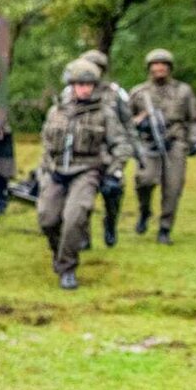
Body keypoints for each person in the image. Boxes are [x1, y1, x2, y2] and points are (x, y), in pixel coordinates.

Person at [37, 59, 133, 290]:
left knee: (75, 217)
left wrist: (114, 171)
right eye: (80, 84)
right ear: (72, 85)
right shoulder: (56, 111)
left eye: (89, 85)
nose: (85, 89)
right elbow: (46, 143)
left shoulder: (104, 113)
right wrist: (43, 171)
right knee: (47, 218)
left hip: (87, 170)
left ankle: (67, 268)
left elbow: (121, 145)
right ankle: (59, 253)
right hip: (56, 171)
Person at [130, 48, 196, 245]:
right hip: (148, 142)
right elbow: (126, 121)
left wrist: (195, 140)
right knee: (144, 180)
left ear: (170, 67)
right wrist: (140, 121)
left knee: (173, 187)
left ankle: (165, 228)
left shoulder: (184, 91)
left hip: (175, 141)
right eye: (155, 64)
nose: (159, 68)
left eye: (163, 64)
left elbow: (193, 119)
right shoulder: (139, 93)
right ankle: (145, 211)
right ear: (149, 68)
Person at [73, 48, 138, 247]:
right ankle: (83, 236)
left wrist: (130, 150)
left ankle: (110, 224)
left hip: (111, 152)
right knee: (81, 197)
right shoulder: (73, 91)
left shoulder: (115, 93)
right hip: (83, 153)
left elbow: (128, 123)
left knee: (113, 191)